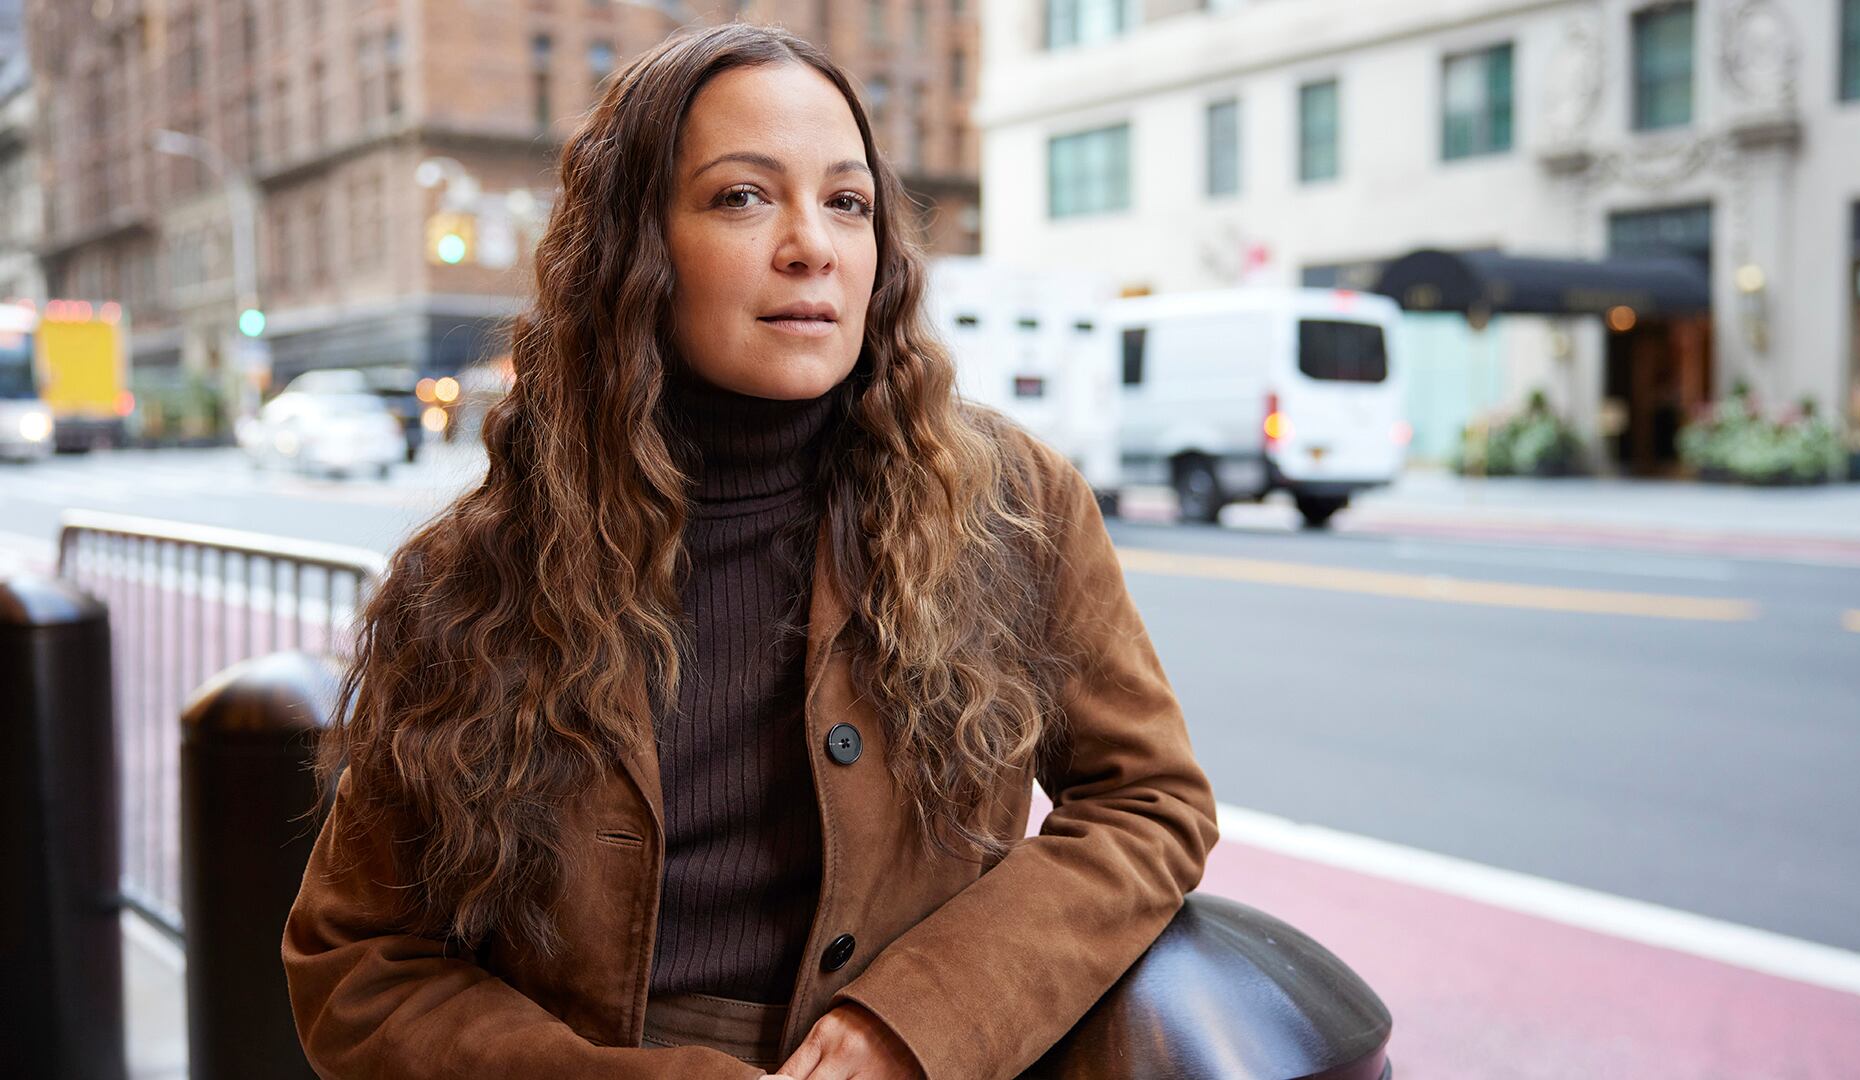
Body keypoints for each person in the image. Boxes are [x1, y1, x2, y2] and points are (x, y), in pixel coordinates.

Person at [282, 22, 1216, 1080]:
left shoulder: (1012, 505)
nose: (812, 244)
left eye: (847, 202)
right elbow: (359, 959)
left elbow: (1151, 803)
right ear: (635, 248)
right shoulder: (474, 575)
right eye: (742, 197)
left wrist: (918, 1023)